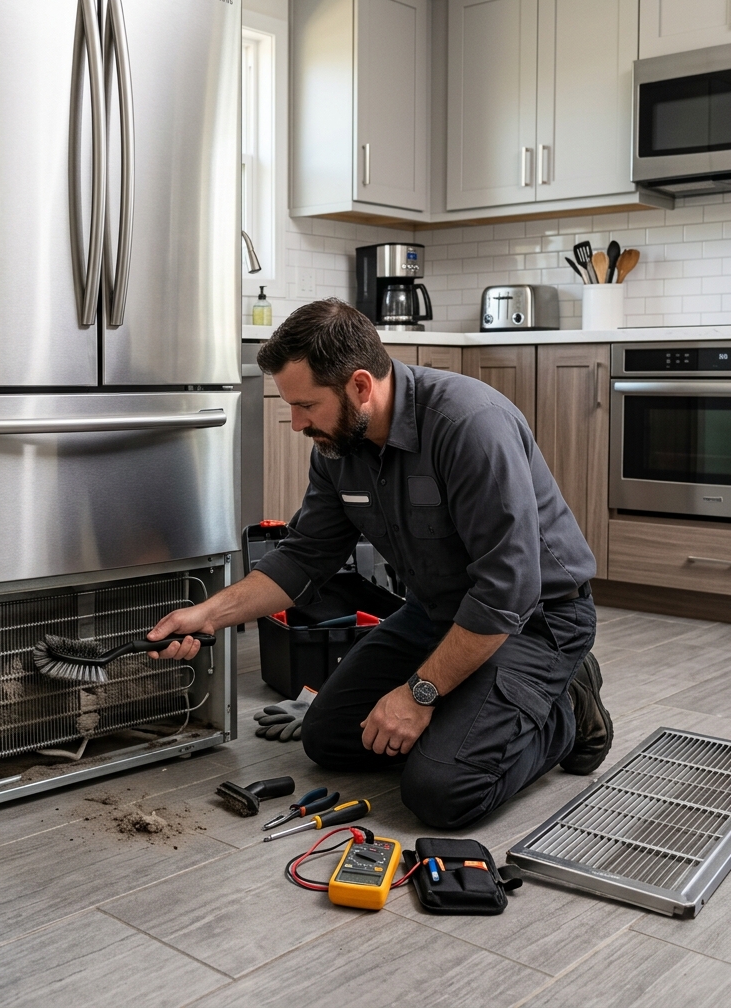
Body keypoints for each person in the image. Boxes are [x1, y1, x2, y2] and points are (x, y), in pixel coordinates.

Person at [148, 298, 612, 829]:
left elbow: (507, 591)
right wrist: (207, 615)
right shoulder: (336, 446)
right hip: (436, 613)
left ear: (361, 386)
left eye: (306, 405)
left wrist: (420, 694)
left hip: (536, 622)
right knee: (330, 737)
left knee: (442, 791)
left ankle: (567, 709)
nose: (296, 423)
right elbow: (304, 556)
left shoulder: (470, 426)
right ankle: (485, 711)